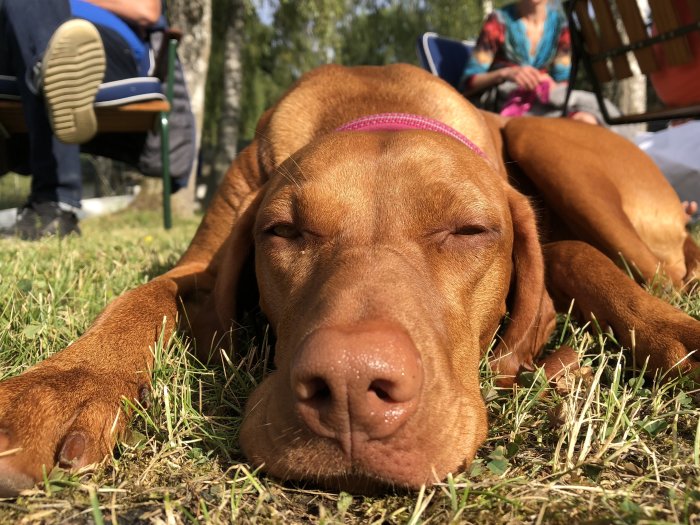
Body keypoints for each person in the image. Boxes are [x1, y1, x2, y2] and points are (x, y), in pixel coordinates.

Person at [0, 0, 195, 239]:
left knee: (55, 39)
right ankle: (47, 72)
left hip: (98, 45)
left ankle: (50, 69)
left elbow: (147, 10)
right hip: (13, 38)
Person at [460, 0, 614, 124]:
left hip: (544, 99)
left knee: (587, 119)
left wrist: (547, 81)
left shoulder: (561, 26)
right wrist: (506, 73)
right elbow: (469, 82)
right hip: (505, 101)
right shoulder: (498, 22)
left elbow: (563, 82)